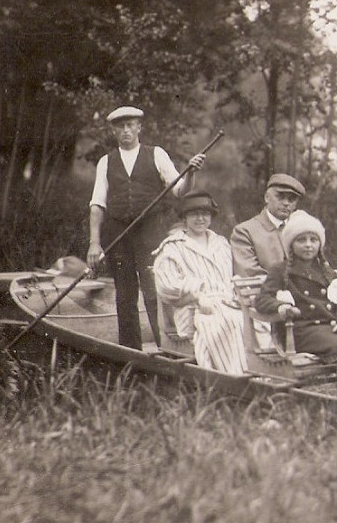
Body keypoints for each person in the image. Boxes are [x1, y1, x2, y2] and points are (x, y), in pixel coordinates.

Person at [86, 105, 206, 350]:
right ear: (114, 131)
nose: (126, 130)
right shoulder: (106, 162)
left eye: (130, 125)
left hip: (151, 233)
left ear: (139, 127)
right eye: (120, 126)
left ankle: (168, 348)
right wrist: (94, 243)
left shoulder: (156, 154)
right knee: (125, 295)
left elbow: (180, 190)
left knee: (156, 291)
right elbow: (97, 205)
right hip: (118, 235)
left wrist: (191, 173)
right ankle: (131, 352)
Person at [255, 210, 337, 400]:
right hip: (301, 329)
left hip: (330, 326)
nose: (308, 245)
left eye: (313, 240)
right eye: (301, 240)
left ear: (320, 244)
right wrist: (282, 307)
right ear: (290, 245)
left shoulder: (326, 271)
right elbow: (262, 300)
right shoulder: (280, 270)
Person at [152, 190, 248, 375]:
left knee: (255, 320)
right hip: (190, 307)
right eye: (194, 214)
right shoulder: (173, 246)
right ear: (185, 218)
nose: (200, 218)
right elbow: (166, 287)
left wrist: (236, 295)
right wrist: (196, 294)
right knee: (228, 320)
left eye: (205, 214)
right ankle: (233, 376)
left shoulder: (221, 243)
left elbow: (232, 277)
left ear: (211, 216)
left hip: (225, 301)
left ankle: (257, 374)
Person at [230, 173, 307, 277]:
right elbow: (249, 274)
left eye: (291, 199)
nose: (286, 203)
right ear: (267, 197)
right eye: (280, 197)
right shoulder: (244, 232)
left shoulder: (301, 229)